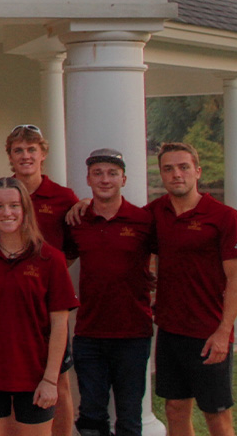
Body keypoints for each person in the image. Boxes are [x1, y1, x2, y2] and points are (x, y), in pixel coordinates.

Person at [149, 142, 237, 436]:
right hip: (169, 330)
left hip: (209, 333)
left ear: (197, 172)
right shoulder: (155, 212)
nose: (176, 174)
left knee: (216, 416)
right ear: (161, 174)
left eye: (183, 167)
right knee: (174, 409)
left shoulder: (224, 216)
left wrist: (223, 331)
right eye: (168, 168)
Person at [0, 177, 78, 436]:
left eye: (14, 206)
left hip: (35, 375)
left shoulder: (50, 259)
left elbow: (60, 324)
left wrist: (51, 379)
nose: (7, 213)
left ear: (25, 209)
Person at [62, 148, 154, 436]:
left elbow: (171, 257)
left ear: (124, 179)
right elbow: (61, 263)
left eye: (112, 173)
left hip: (133, 334)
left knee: (129, 417)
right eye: (98, 173)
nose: (105, 180)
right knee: (91, 415)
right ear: (88, 179)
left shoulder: (143, 220)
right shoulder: (77, 221)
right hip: (90, 334)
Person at [4, 124, 77, 436]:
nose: (25, 156)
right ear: (9, 156)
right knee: (7, 377)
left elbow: (72, 250)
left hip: (48, 305)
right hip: (8, 301)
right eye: (18, 150)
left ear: (43, 153)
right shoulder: (1, 192)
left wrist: (49, 276)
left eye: (31, 149)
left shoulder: (63, 197)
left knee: (58, 377)